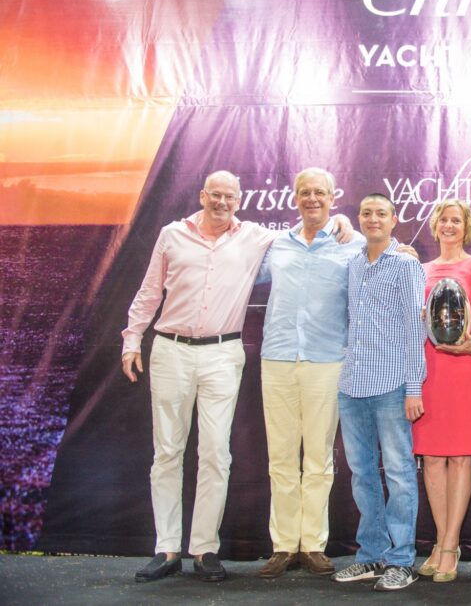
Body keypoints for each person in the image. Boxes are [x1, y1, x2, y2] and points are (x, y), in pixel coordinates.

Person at [121, 170, 354, 583]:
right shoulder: (183, 235)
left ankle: (207, 549)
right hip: (177, 350)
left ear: (239, 199)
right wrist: (131, 337)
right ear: (202, 195)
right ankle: (168, 548)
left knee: (217, 455)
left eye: (230, 196)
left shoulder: (279, 239)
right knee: (168, 453)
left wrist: (348, 223)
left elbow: (357, 246)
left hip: (233, 354)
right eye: (215, 194)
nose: (222, 202)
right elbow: (149, 289)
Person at [255, 168, 365, 579]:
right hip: (278, 358)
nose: (312, 198)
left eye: (320, 192)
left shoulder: (350, 243)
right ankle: (283, 546)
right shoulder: (274, 245)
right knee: (281, 457)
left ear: (333, 197)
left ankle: (313, 545)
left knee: (318, 457)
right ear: (295, 198)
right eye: (305, 192)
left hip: (325, 361)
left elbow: (392, 256)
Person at [330, 193, 425, 592]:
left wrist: (413, 388)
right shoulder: (352, 264)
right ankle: (371, 555)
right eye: (366, 213)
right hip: (352, 386)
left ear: (394, 220)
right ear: (360, 219)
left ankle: (402, 560)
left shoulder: (406, 265)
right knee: (362, 474)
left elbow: (415, 329)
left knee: (401, 473)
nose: (373, 219)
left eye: (380, 213)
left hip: (391, 386)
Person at [413, 200, 471, 583]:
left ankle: (449, 544)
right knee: (431, 459)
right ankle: (440, 541)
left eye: (456, 220)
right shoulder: (420, 269)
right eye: (443, 220)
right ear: (434, 226)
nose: (449, 226)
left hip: (462, 369)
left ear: (467, 227)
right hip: (429, 372)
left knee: (460, 458)